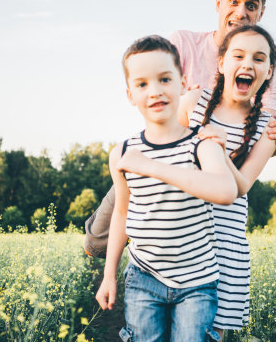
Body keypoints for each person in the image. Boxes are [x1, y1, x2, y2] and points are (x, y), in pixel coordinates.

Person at [84, 0, 276, 257]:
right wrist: (182, 103)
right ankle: (102, 279)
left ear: (261, 12)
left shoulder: (264, 74)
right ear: (218, 3)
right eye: (233, 2)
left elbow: (262, 134)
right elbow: (152, 95)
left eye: (251, 6)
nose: (241, 12)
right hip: (163, 153)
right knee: (98, 242)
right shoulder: (184, 43)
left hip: (214, 173)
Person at [95, 35, 237, 341]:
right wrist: (109, 276)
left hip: (197, 283)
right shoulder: (122, 153)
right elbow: (122, 213)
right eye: (143, 84)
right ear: (130, 94)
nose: (155, 91)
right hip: (143, 279)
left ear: (183, 83)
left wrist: (152, 167)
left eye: (164, 79)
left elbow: (226, 192)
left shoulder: (202, 142)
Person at [179, 24, 276, 338]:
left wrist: (219, 149)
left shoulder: (268, 126)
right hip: (182, 244)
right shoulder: (193, 101)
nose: (248, 64)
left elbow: (243, 185)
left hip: (227, 253)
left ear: (269, 71)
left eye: (259, 59)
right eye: (239, 55)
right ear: (221, 63)